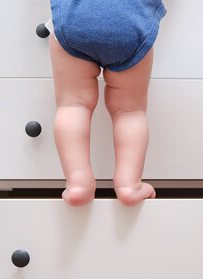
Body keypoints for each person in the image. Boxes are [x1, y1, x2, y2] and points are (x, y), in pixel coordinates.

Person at [48, 0, 167, 206]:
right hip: (131, 23)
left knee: (73, 106)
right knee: (129, 110)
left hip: (74, 20)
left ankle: (78, 184)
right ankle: (130, 186)